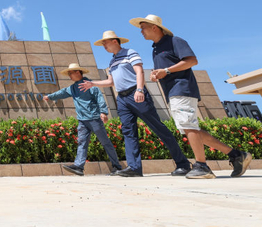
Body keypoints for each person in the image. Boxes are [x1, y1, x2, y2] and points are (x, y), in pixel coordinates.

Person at [130, 14, 252, 179]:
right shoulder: (156, 49)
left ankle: (202, 166)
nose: (141, 31)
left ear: (154, 27)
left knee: (189, 127)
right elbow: (167, 70)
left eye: (143, 28)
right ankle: (236, 155)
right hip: (172, 92)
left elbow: (192, 61)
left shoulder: (174, 41)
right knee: (190, 129)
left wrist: (166, 70)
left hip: (182, 88)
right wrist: (157, 74)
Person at [79, 30, 192, 177]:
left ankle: (183, 164)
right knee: (128, 132)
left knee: (158, 128)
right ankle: (134, 168)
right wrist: (92, 83)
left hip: (136, 94)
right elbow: (111, 82)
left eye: (105, 42)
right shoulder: (112, 62)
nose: (104, 46)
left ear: (115, 41)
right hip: (122, 99)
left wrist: (140, 89)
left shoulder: (129, 53)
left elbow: (139, 72)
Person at [43, 63, 123, 176]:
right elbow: (62, 93)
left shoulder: (91, 85)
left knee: (105, 142)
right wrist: (49, 97)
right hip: (82, 121)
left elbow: (99, 98)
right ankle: (79, 167)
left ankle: (116, 166)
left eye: (70, 73)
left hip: (94, 119)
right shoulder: (72, 88)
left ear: (78, 72)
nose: (69, 76)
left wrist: (103, 112)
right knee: (82, 143)